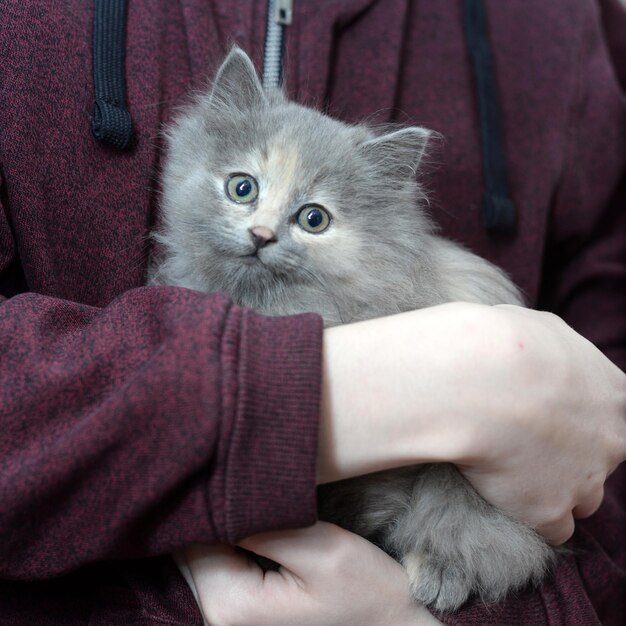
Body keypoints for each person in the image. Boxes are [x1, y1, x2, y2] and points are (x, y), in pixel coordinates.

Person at [0, 1, 624, 625]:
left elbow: (604, 461)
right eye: (243, 188)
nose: (264, 228)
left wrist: (432, 618)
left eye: (314, 217)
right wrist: (336, 395)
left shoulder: (563, 21)